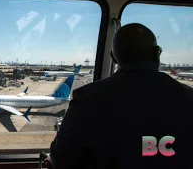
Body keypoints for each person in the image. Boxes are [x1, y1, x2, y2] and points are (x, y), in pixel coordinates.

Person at [48, 23, 193, 169]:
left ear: (114, 57)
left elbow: (62, 159)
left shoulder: (87, 98)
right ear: (157, 54)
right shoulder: (189, 97)